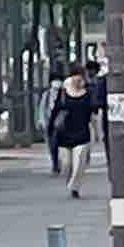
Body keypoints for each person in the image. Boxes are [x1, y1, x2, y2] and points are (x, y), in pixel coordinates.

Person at [49, 65, 94, 199]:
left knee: (79, 162)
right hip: (64, 133)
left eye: (80, 77)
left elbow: (93, 110)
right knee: (67, 164)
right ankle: (71, 181)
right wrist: (51, 127)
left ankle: (74, 187)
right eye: (76, 77)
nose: (78, 80)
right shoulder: (63, 92)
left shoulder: (88, 92)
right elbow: (55, 111)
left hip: (82, 133)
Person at [38, 72, 65, 175]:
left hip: (62, 124)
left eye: (59, 80)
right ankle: (55, 163)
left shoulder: (65, 94)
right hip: (49, 123)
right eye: (55, 80)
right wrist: (42, 121)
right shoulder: (47, 94)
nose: (57, 83)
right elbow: (42, 108)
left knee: (60, 144)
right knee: (52, 145)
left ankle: (60, 162)